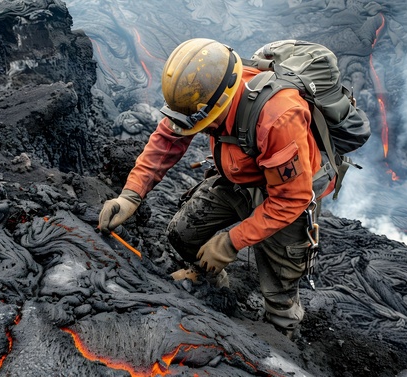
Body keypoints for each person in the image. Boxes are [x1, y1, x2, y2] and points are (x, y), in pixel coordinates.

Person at [98, 38, 326, 337]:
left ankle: (283, 338)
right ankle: (214, 284)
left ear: (224, 102)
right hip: (240, 176)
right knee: (183, 234)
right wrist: (130, 196)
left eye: (203, 121)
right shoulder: (198, 93)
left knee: (280, 284)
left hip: (287, 192)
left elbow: (290, 198)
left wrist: (231, 242)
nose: (197, 128)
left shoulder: (278, 117)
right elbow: (168, 139)